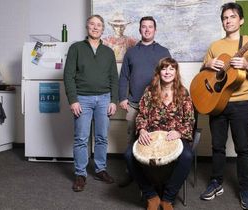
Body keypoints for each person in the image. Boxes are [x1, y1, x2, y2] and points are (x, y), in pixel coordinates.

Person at [198, 2, 248, 210]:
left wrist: (246, 65)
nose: (228, 21)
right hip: (217, 103)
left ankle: (245, 187)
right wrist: (208, 64)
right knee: (217, 146)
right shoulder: (215, 46)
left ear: (241, 20)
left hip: (240, 105)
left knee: (242, 148)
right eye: (225, 18)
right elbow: (203, 72)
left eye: (232, 17)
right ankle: (216, 182)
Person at [125, 57, 195, 210]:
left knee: (187, 156)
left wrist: (179, 132)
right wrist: (142, 129)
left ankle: (168, 198)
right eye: (164, 68)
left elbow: (189, 120)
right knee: (129, 155)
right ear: (159, 72)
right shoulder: (149, 92)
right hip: (151, 135)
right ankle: (151, 196)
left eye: (171, 68)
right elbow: (141, 115)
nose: (167, 72)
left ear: (176, 72)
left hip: (174, 136)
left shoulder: (183, 93)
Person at [63, 14, 119, 192]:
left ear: (103, 29)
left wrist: (114, 101)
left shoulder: (109, 52)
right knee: (81, 139)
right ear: (87, 27)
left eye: (99, 25)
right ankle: (80, 174)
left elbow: (114, 79)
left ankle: (100, 169)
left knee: (102, 137)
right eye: (92, 24)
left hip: (104, 99)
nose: (95, 27)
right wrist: (73, 100)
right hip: (82, 99)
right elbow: (68, 76)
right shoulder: (76, 48)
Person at [118, 16, 171, 187]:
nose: (147, 30)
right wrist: (122, 98)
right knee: (132, 141)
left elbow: (170, 77)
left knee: (154, 141)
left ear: (155, 30)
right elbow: (124, 77)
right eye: (144, 27)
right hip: (134, 104)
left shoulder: (163, 51)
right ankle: (130, 174)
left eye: (150, 27)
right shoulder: (131, 52)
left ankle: (153, 176)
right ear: (140, 30)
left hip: (157, 107)